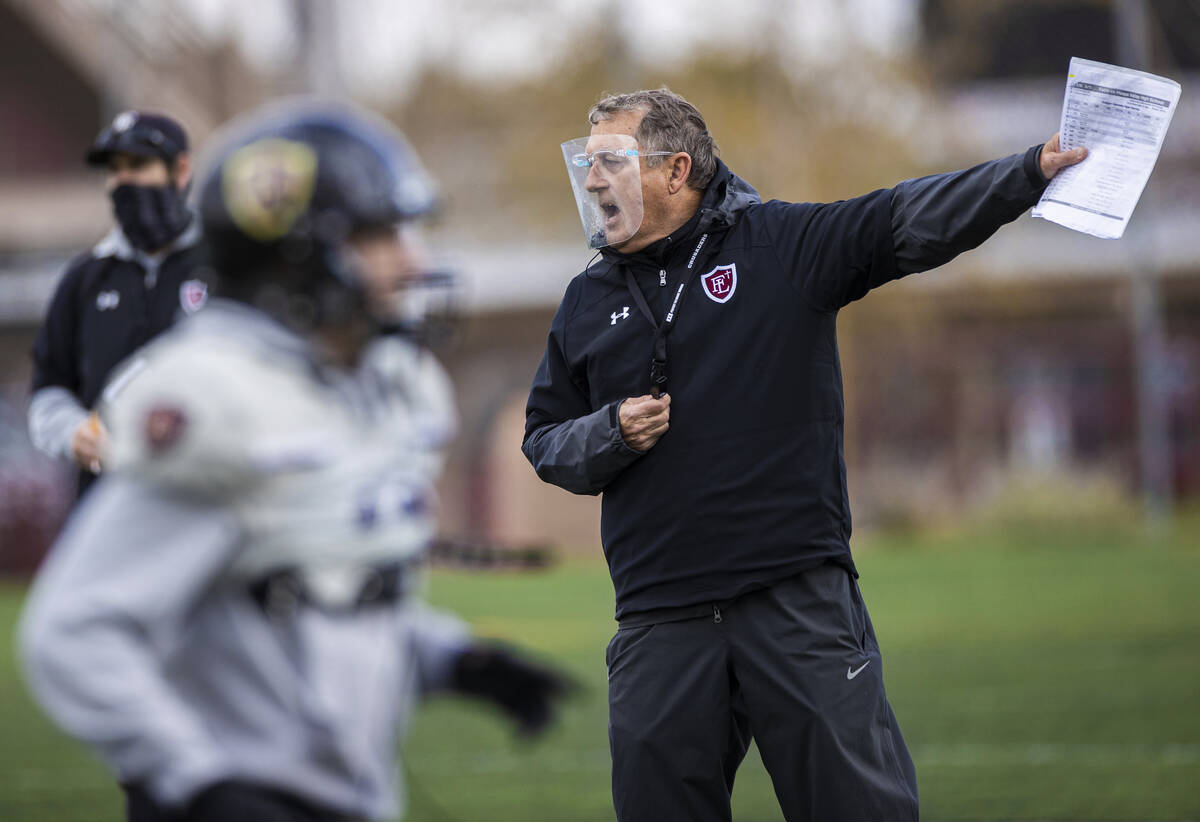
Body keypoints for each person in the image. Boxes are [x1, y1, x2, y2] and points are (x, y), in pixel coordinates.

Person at [524, 87, 1087, 822]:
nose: (593, 179)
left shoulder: (781, 245)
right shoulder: (585, 301)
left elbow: (905, 219)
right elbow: (544, 439)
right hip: (659, 619)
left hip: (794, 602)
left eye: (610, 161)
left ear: (674, 170)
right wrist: (610, 433)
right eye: (587, 162)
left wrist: (1027, 171)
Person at [19, 101, 569, 822]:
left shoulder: (365, 384)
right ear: (297, 254)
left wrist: (446, 659)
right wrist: (199, 781)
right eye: (379, 236)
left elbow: (312, 589)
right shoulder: (220, 396)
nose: (414, 261)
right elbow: (73, 631)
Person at [28, 110, 210, 498]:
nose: (123, 181)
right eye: (115, 169)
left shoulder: (224, 267)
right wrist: (74, 433)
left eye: (139, 165)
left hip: (205, 501)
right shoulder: (85, 278)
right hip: (107, 500)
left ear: (180, 170)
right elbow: (49, 386)